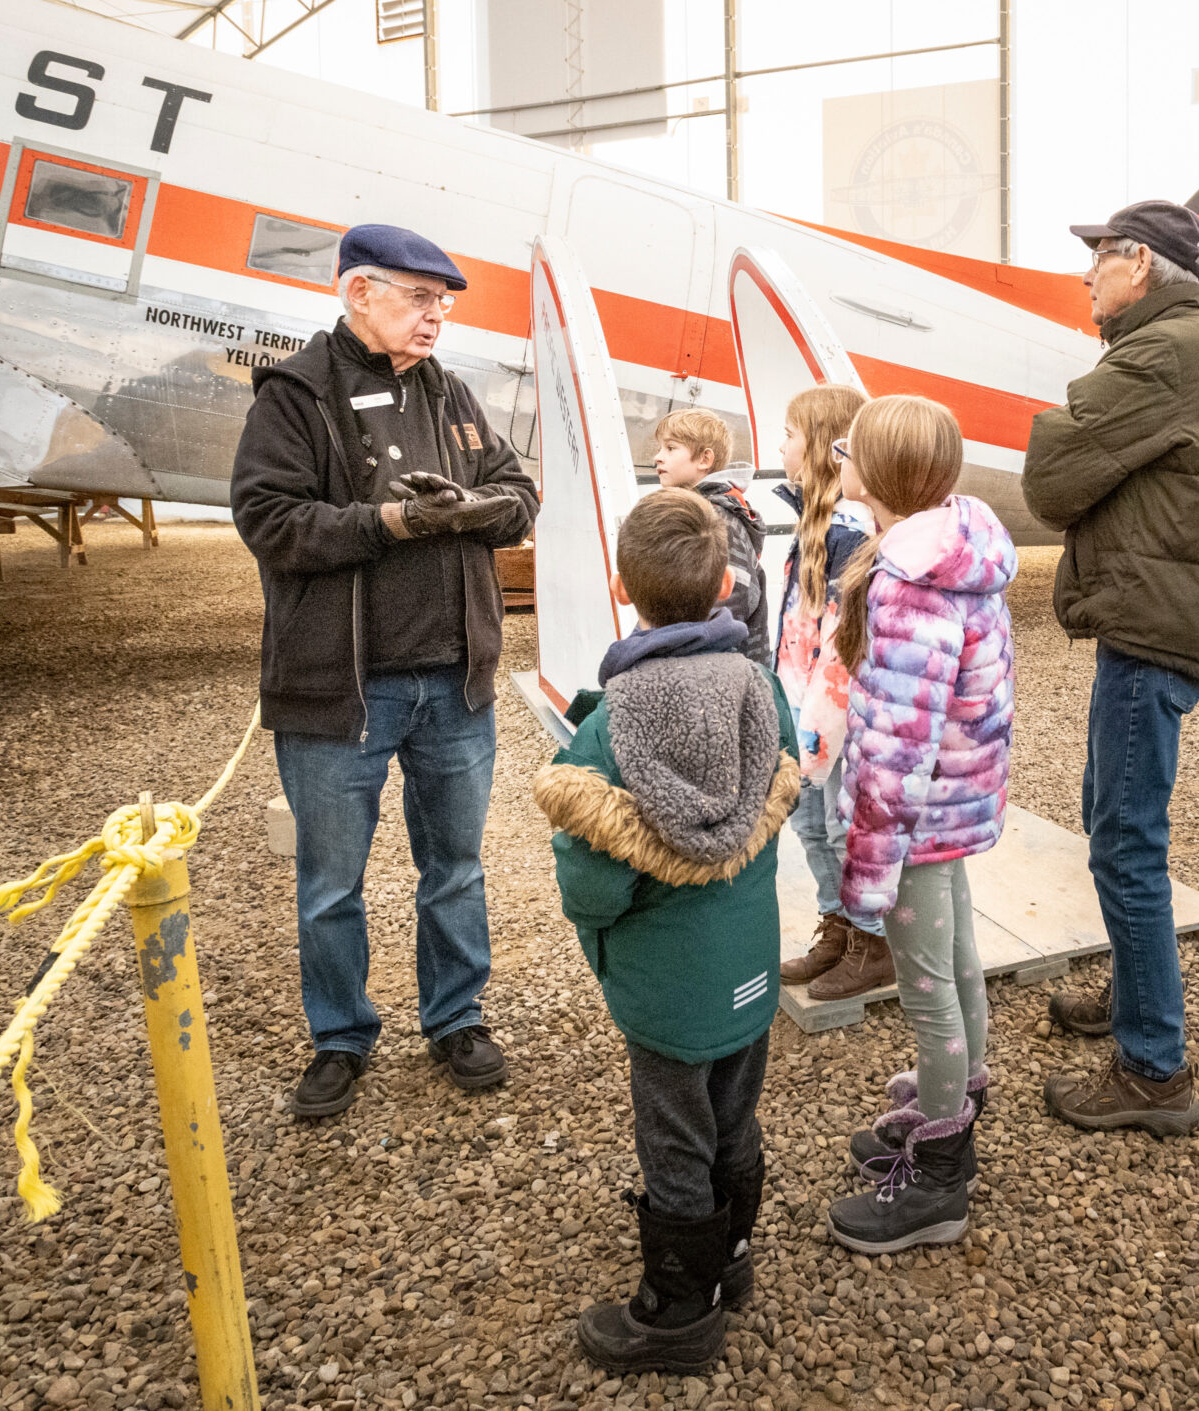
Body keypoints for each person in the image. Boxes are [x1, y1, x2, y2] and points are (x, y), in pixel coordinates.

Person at [231, 224, 538, 1119]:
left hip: (456, 684)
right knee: (331, 882)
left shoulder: (453, 395)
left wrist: (473, 506)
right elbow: (270, 521)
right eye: (418, 296)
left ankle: (457, 1018)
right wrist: (387, 525)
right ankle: (339, 1035)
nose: (436, 314)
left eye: (443, 300)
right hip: (341, 692)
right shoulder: (293, 397)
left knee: (457, 866)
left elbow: (518, 496)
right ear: (357, 291)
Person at [534, 488, 801, 1373]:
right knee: (735, 1109)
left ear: (623, 587)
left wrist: (596, 924)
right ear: (729, 584)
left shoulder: (614, 723)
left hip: (669, 986)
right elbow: (782, 791)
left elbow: (591, 875)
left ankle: (678, 1310)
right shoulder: (761, 688)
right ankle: (728, 1255)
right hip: (749, 965)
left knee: (674, 1132)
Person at [1020, 200, 1199, 1138]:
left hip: (1150, 630)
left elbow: (1049, 480)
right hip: (1153, 618)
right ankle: (1132, 1001)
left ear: (1141, 265)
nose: (1086, 277)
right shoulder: (1185, 344)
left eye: (1099, 260)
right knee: (1111, 820)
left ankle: (1154, 1066)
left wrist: (1062, 429)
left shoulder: (1160, 353)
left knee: (1123, 842)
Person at [823, 396, 1016, 1254]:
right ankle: (956, 1100)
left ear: (883, 473)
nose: (838, 457)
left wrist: (868, 866)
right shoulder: (962, 552)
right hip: (957, 807)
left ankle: (941, 1177)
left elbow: (900, 745)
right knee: (959, 962)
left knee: (928, 987)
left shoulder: (910, 583)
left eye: (848, 448)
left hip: (917, 821)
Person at [771, 385, 893, 1002]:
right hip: (806, 714)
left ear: (819, 446)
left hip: (832, 720)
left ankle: (872, 941)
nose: (781, 443)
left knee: (844, 827)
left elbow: (842, 649)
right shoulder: (815, 523)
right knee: (812, 826)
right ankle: (838, 924)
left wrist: (814, 734)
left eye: (790, 433)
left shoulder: (849, 534)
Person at [651, 407, 770, 665]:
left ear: (704, 459)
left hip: (720, 667)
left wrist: (685, 649)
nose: (657, 457)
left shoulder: (716, 518)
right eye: (660, 448)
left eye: (670, 448)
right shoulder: (703, 511)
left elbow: (733, 600)